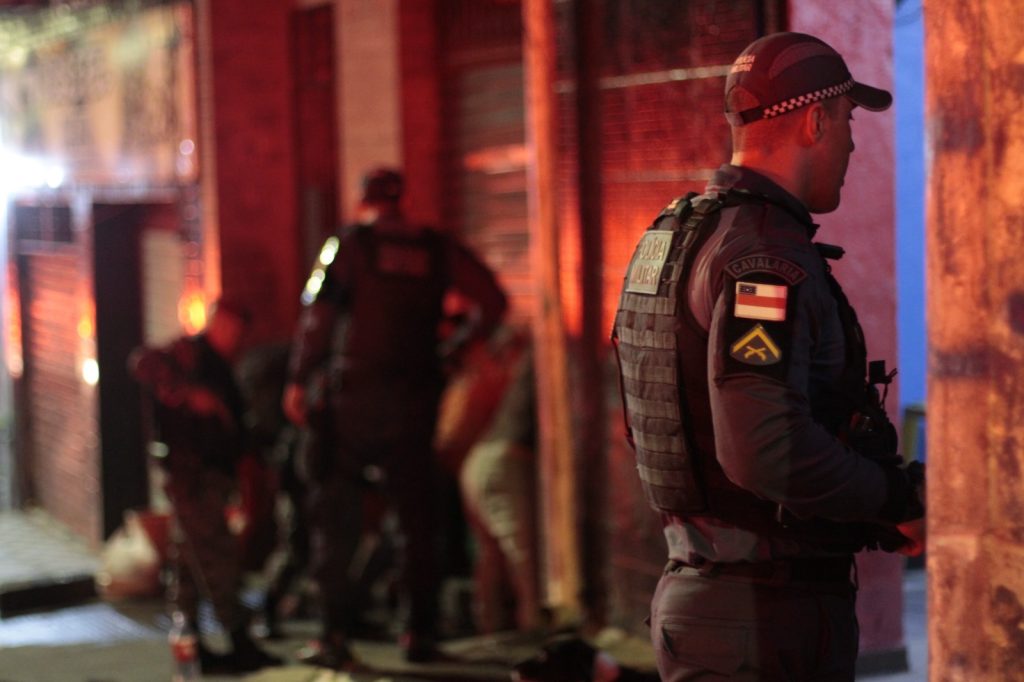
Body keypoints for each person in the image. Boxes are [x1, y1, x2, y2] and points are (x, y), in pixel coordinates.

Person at [611, 32, 926, 681]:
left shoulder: (677, 236)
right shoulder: (763, 260)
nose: (852, 145)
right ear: (816, 121)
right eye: (847, 121)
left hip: (710, 601)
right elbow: (765, 449)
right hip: (763, 619)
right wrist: (895, 496)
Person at [282, 167, 508, 669]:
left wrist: (298, 379)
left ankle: (334, 636)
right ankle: (418, 633)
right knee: (415, 520)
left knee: (336, 516)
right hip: (415, 397)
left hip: (353, 400)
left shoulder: (348, 245)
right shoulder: (436, 248)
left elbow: (317, 317)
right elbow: (494, 302)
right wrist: (452, 352)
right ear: (403, 200)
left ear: (364, 200)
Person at [130, 299, 282, 674]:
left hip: (204, 476)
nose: (239, 338)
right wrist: (187, 392)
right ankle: (238, 641)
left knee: (187, 567)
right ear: (220, 322)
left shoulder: (217, 363)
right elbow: (143, 363)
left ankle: (191, 650)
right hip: (195, 479)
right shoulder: (189, 356)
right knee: (218, 558)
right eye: (235, 328)